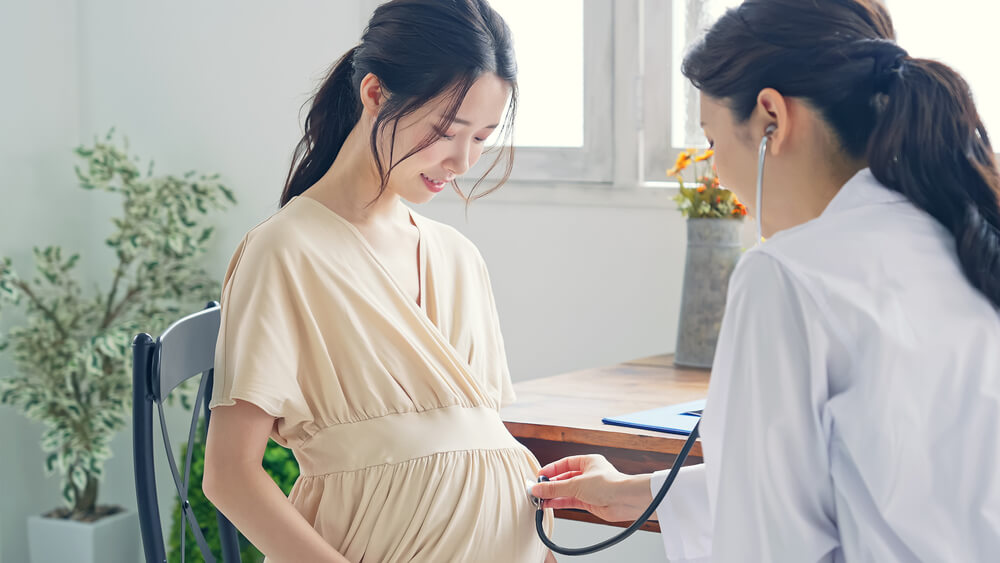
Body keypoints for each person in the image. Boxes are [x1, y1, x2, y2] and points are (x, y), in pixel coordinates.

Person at [532, 0, 1000, 561]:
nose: (716, 171)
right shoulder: (965, 235)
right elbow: (877, 489)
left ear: (770, 120)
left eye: (712, 140)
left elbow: (767, 543)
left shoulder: (787, 274)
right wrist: (635, 493)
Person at [202, 1, 553, 561]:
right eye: (445, 130)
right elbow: (228, 475)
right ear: (375, 94)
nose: (462, 160)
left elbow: (480, 448)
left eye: (483, 138)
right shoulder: (284, 250)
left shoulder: (459, 258)